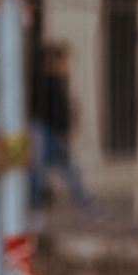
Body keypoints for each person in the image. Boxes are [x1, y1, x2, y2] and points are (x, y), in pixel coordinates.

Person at [29, 39, 92, 213]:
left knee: (63, 167)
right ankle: (35, 201)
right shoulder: (44, 81)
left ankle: (80, 199)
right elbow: (50, 109)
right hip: (45, 130)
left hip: (52, 131)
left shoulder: (56, 80)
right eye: (63, 60)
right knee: (41, 168)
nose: (66, 64)